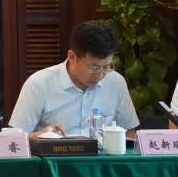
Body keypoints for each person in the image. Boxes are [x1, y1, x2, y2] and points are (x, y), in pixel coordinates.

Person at [9, 20, 139, 138]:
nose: (100, 75)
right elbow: (14, 140)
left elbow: (129, 132)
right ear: (72, 57)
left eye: (106, 67)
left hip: (102, 156)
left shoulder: (116, 82)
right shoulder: (39, 84)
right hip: (55, 156)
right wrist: (41, 136)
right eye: (93, 67)